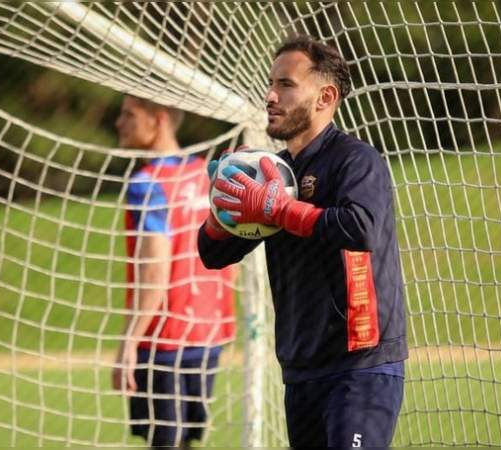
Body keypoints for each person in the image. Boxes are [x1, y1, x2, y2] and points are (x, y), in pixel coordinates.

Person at [198, 35, 408, 447]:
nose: (270, 95)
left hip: (359, 366)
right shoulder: (273, 171)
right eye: (271, 83)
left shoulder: (355, 160)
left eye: (287, 84)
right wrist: (224, 209)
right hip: (300, 369)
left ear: (325, 96)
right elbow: (211, 253)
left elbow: (359, 228)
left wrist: (281, 212)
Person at [113, 95, 235, 448]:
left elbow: (155, 272)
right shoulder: (206, 176)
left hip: (164, 339)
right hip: (209, 336)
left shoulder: (146, 184)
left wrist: (128, 343)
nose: (119, 123)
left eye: (129, 115)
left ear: (159, 119)